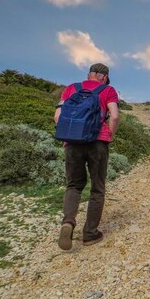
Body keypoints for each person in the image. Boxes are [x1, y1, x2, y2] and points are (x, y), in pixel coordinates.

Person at [54, 63, 119, 250]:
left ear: (88, 75)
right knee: (97, 188)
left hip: (72, 143)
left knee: (73, 185)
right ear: (104, 77)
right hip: (97, 142)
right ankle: (90, 234)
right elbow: (113, 116)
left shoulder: (71, 88)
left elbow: (57, 116)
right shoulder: (108, 90)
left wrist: (68, 136)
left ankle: (68, 223)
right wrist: (110, 134)